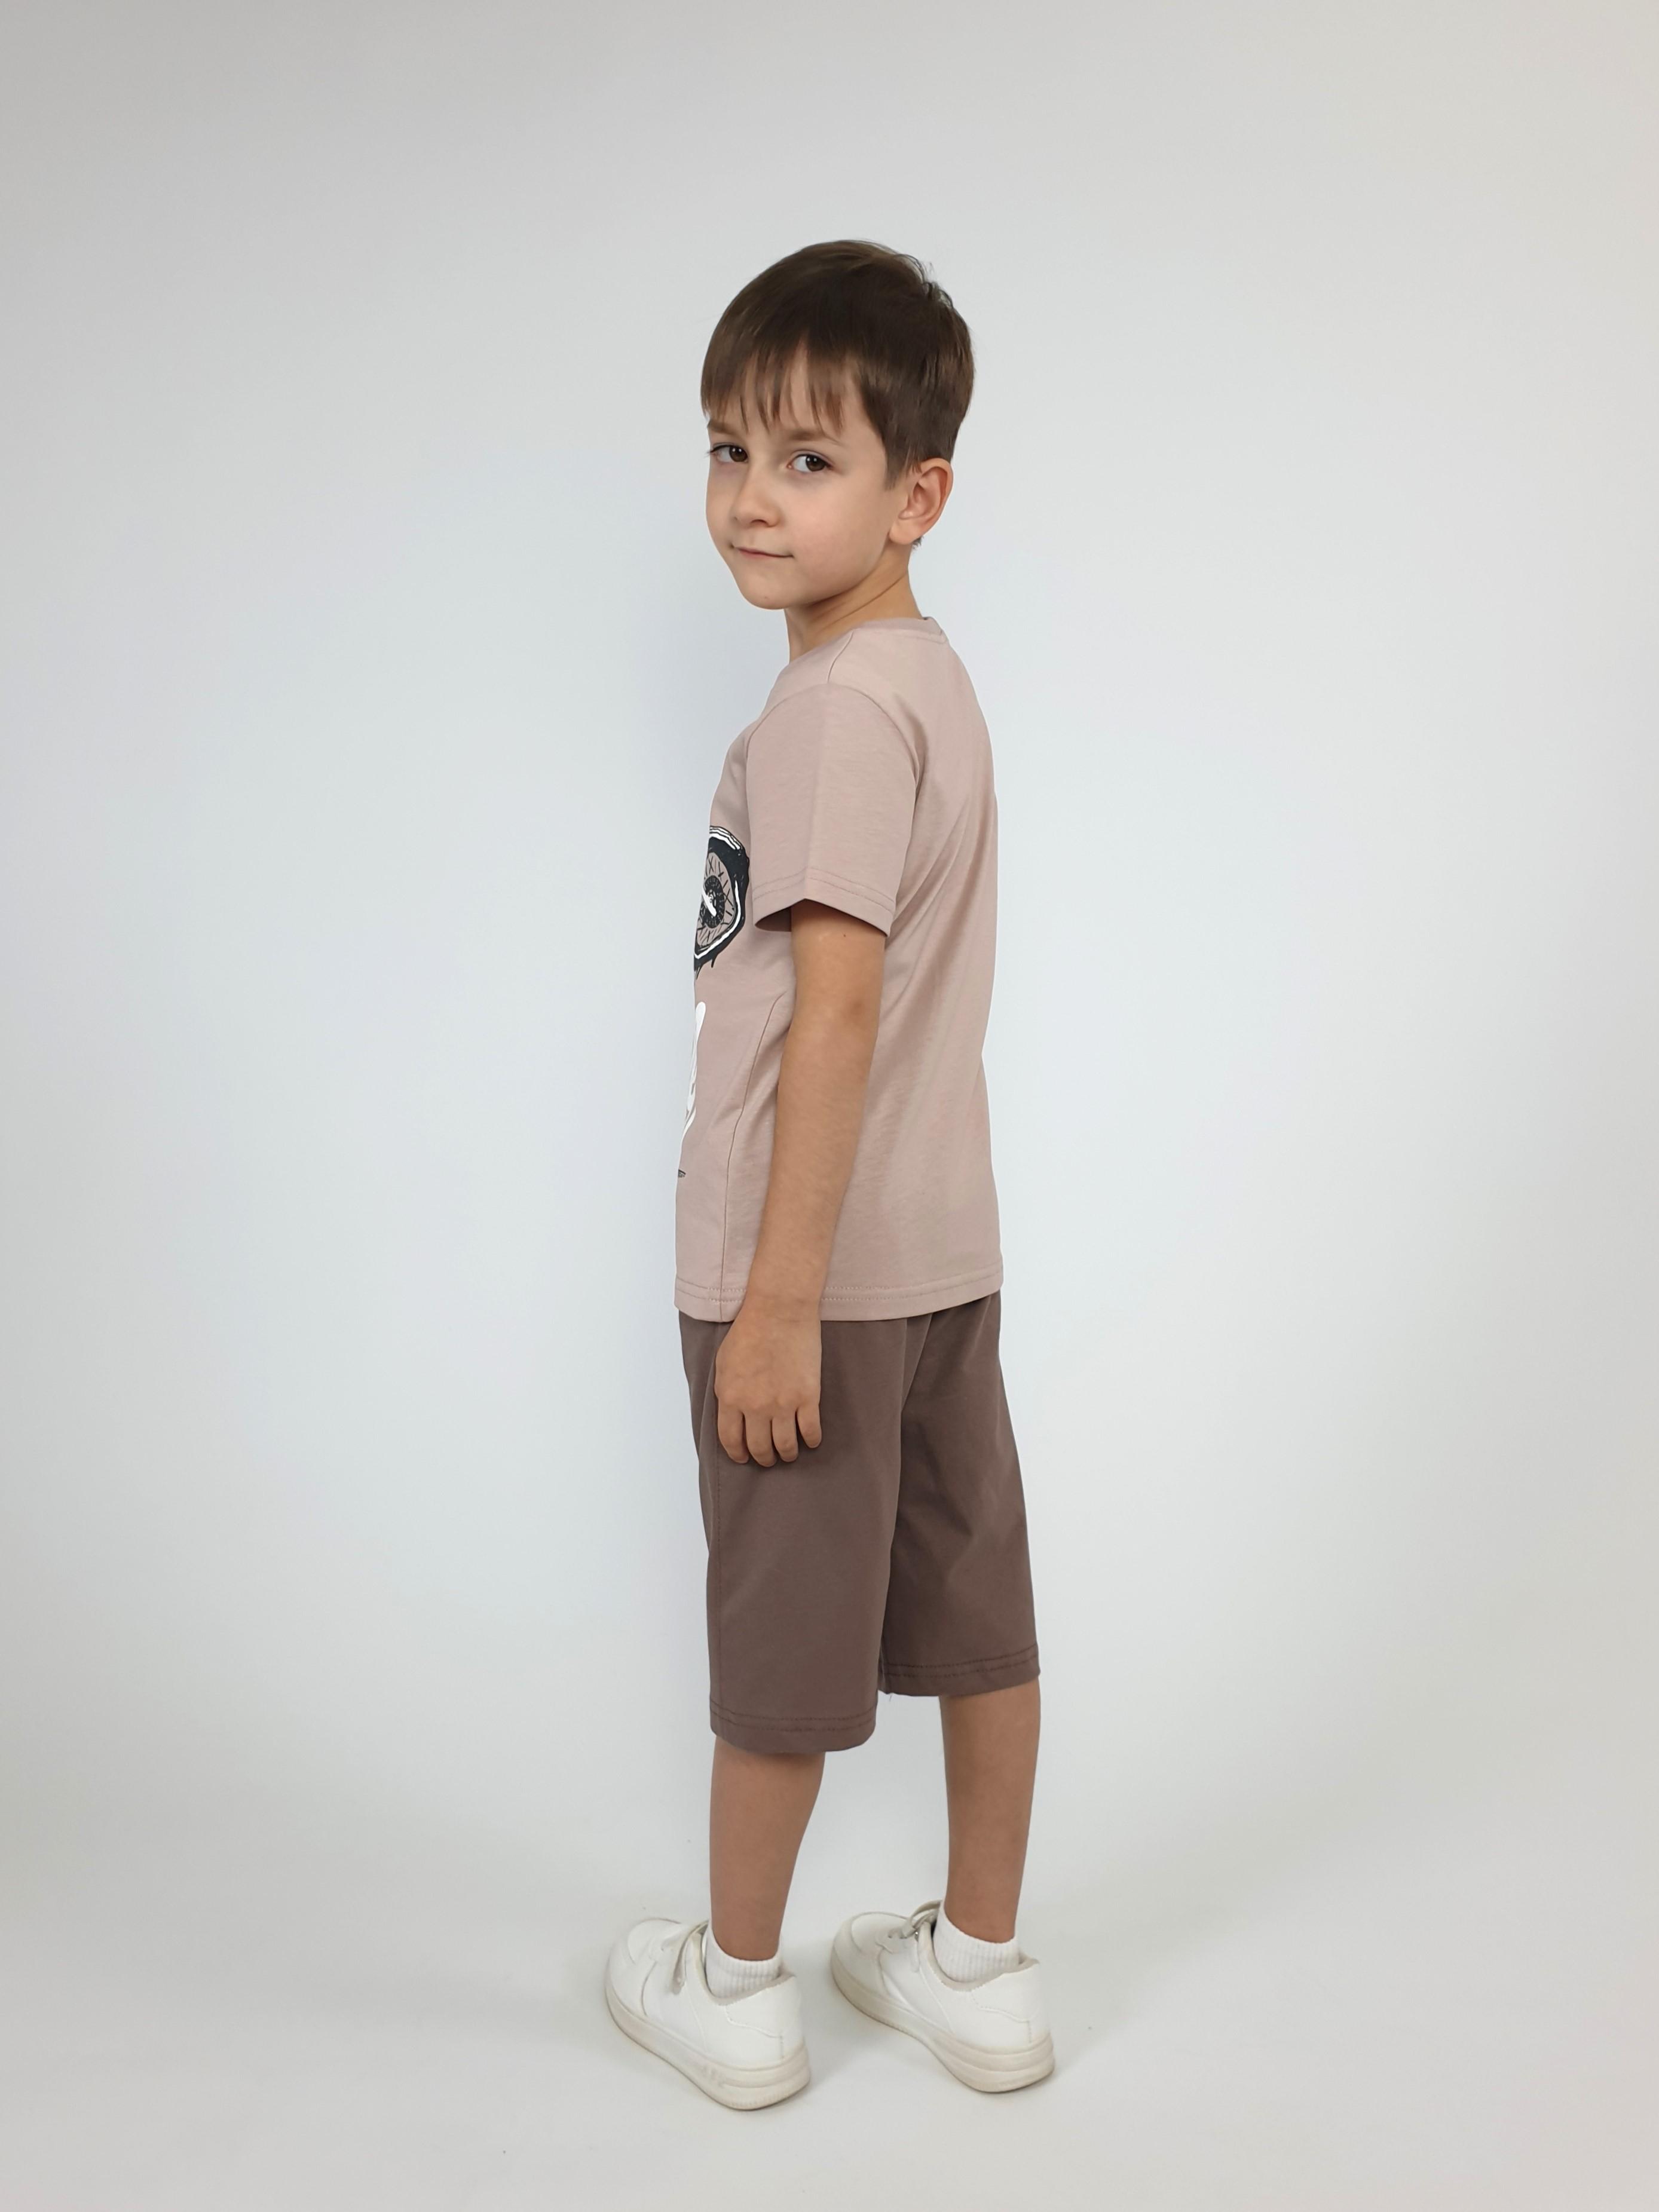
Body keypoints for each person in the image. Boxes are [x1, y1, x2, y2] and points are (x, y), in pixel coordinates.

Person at [604, 241, 1049, 2109]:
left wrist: (776, 1304)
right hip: (943, 1258)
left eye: (807, 460)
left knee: (778, 1644)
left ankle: (739, 1989)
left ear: (916, 495)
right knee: (977, 1612)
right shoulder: (927, 678)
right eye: (730, 450)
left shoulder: (830, 711)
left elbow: (838, 1013)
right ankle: (980, 1969)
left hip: (819, 1282)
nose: (752, 498)